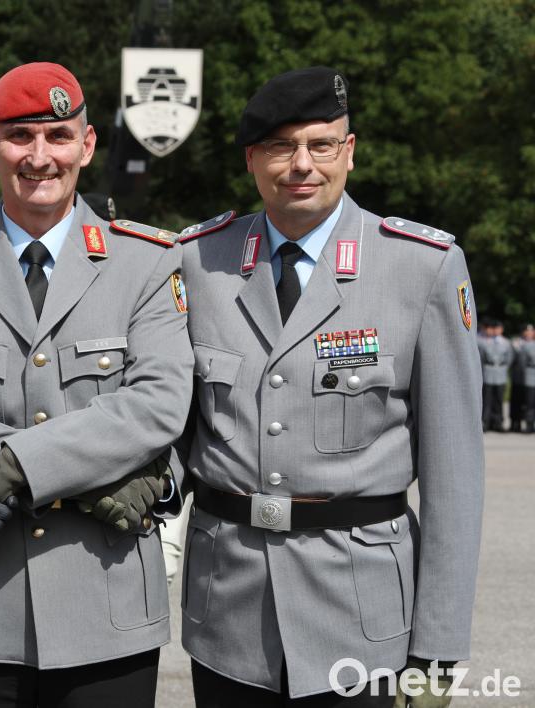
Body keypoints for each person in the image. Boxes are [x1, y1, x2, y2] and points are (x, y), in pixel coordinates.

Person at [0, 62, 193, 707]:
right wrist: (85, 469)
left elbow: (158, 406)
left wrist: (11, 469)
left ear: (88, 144)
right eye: (20, 136)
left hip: (104, 608)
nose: (40, 156)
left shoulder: (147, 260)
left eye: (58, 136)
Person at [177, 67, 484, 707]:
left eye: (321, 145)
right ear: (251, 159)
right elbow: (174, 425)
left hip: (362, 619)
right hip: (228, 614)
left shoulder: (420, 266)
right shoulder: (197, 262)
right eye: (281, 147)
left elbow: (454, 478)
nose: (302, 165)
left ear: (349, 151)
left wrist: (438, 650)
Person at [478, 318, 513, 431]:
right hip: (488, 372)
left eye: (497, 328)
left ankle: (498, 422)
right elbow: (482, 358)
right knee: (487, 399)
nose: (495, 330)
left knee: (499, 399)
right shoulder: (484, 342)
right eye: (493, 328)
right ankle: (486, 422)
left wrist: (503, 368)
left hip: (500, 373)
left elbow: (509, 358)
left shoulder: (505, 342)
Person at [519, 323, 535, 433]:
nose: (529, 333)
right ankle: (529, 424)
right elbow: (522, 363)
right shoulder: (526, 346)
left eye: (531, 331)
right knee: (530, 402)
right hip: (530, 376)